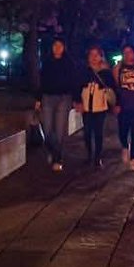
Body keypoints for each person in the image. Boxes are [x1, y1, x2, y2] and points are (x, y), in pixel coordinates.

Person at [35, 37, 78, 173]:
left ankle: (58, 158)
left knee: (60, 131)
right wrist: (38, 98)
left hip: (64, 98)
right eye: (55, 45)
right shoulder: (47, 62)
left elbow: (73, 81)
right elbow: (41, 81)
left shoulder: (69, 63)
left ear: (64, 47)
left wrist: (75, 99)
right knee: (47, 129)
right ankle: (52, 150)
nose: (57, 48)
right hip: (47, 97)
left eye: (60, 45)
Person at [76, 46, 118, 169]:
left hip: (100, 106)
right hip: (87, 107)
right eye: (91, 55)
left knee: (98, 132)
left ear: (101, 56)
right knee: (87, 132)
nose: (94, 58)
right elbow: (77, 86)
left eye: (96, 55)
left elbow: (112, 89)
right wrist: (78, 102)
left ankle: (97, 157)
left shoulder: (106, 73)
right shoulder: (84, 71)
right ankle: (89, 155)